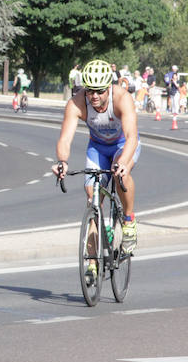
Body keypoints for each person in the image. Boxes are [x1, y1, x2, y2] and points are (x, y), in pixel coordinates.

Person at [51, 59, 140, 285]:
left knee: (122, 174)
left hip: (123, 145)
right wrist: (62, 162)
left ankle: (128, 221)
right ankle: (92, 261)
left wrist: (123, 163)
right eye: (90, 90)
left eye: (100, 91)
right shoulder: (76, 103)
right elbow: (65, 138)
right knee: (92, 198)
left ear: (108, 87)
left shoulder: (122, 98)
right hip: (98, 147)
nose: (94, 97)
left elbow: (132, 137)